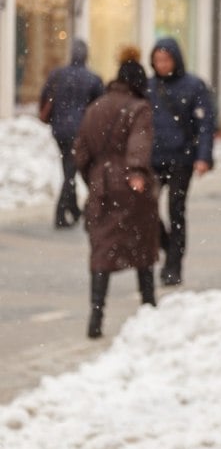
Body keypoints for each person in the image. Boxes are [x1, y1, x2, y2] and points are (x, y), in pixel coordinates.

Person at [73, 47, 159, 339]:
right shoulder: (139, 108)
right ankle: (149, 307)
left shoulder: (96, 106)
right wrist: (136, 171)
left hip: (101, 185)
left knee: (102, 251)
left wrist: (94, 176)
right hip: (130, 188)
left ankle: (96, 316)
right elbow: (139, 142)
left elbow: (80, 149)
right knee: (143, 247)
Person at [147, 36, 216, 287]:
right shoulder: (149, 86)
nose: (161, 64)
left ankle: (173, 265)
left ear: (175, 60)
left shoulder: (193, 86)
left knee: (176, 210)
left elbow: (205, 124)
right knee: (147, 209)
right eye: (157, 60)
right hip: (153, 160)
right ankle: (167, 247)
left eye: (165, 60)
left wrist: (203, 157)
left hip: (181, 158)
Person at [39, 39, 104, 228]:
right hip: (80, 131)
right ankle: (61, 213)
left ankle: (73, 210)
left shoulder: (58, 75)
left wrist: (55, 119)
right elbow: (99, 106)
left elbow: (45, 97)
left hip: (60, 130)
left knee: (69, 167)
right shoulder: (92, 78)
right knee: (70, 170)